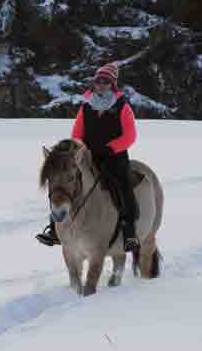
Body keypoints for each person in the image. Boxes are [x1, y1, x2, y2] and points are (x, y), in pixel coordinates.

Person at [36, 63, 140, 254]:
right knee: (62, 182)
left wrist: (111, 148)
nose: (101, 85)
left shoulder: (123, 107)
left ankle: (129, 232)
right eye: (98, 81)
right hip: (88, 156)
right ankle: (54, 228)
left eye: (106, 82)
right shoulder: (86, 106)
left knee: (123, 186)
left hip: (114, 157)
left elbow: (130, 135)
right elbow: (77, 133)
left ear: (113, 85)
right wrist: (79, 149)